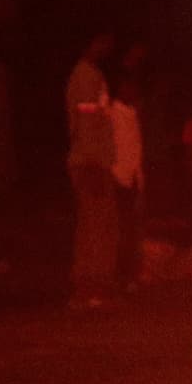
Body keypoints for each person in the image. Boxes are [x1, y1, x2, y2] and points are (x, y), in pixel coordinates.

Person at [63, 30, 122, 307]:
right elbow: (87, 123)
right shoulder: (86, 77)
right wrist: (93, 165)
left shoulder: (91, 74)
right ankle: (89, 286)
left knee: (98, 225)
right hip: (91, 163)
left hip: (94, 161)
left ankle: (94, 285)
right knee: (95, 227)